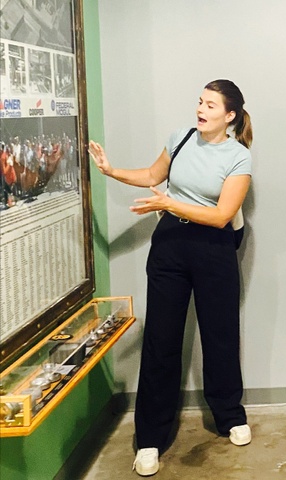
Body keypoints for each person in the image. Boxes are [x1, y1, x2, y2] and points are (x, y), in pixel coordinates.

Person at [89, 79, 253, 477]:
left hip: (213, 248)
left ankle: (229, 416)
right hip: (171, 244)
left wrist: (167, 201)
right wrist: (111, 171)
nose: (201, 109)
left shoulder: (238, 157)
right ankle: (150, 438)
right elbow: (151, 175)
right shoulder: (180, 138)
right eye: (200, 101)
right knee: (161, 339)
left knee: (220, 334)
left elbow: (219, 215)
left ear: (229, 116)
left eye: (210, 105)